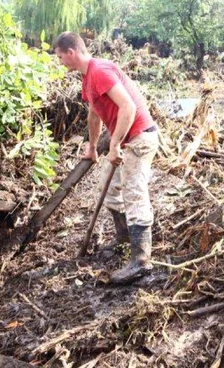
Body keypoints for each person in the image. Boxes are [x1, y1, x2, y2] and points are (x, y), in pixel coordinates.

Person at [54, 32, 158, 284]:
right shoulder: (87, 78)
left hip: (139, 138)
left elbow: (128, 107)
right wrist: (91, 147)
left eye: (60, 57)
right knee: (109, 188)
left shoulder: (99, 71)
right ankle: (124, 238)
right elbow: (94, 114)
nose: (60, 62)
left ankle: (141, 262)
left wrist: (113, 144)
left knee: (134, 193)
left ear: (71, 52)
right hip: (126, 140)